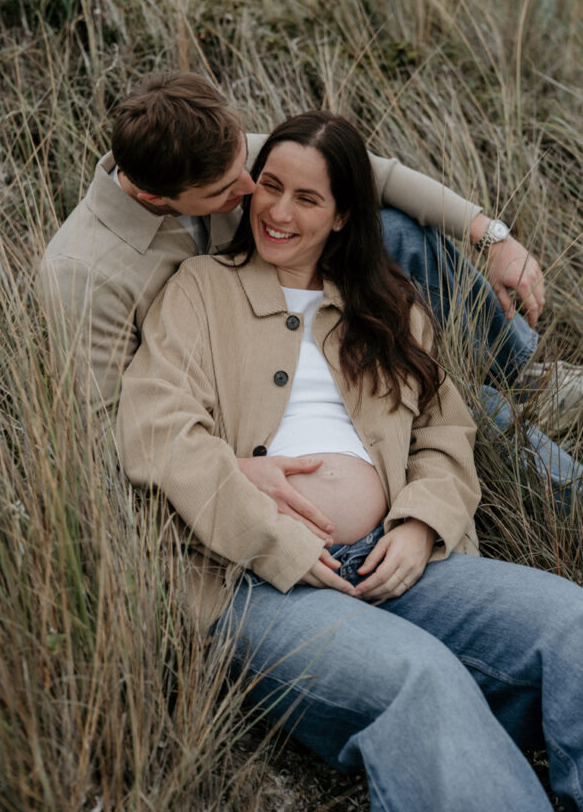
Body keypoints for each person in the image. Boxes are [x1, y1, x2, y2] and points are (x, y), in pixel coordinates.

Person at [116, 112, 583, 812]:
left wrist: (420, 527)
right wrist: (271, 536)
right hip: (255, 581)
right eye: (268, 186)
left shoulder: (388, 305)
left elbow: (443, 434)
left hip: (400, 565)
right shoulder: (199, 289)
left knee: (571, 623)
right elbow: (159, 430)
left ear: (341, 216)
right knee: (419, 678)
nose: (276, 210)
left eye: (306, 199)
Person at [37, 71, 580, 495]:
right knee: (470, 405)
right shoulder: (82, 275)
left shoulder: (203, 149)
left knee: (398, 231)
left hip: (305, 309)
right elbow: (105, 426)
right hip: (231, 391)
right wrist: (222, 469)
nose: (253, 188)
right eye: (231, 188)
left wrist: (490, 236)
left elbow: (374, 175)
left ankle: (523, 375)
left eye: (249, 167)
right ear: (155, 197)